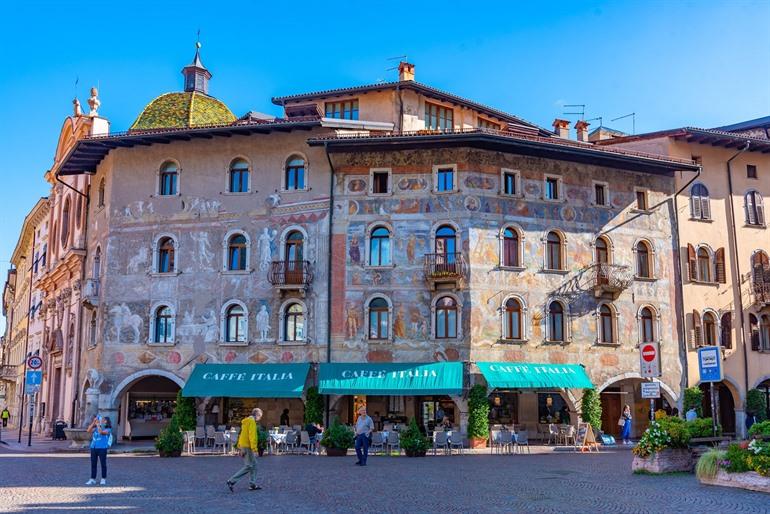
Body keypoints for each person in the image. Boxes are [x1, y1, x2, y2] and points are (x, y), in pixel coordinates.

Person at [227, 408, 263, 492]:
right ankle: (231, 481)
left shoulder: (246, 422)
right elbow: (252, 436)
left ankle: (252, 484)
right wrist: (255, 449)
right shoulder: (252, 422)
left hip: (244, 445)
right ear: (257, 415)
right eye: (260, 417)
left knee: (254, 464)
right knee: (249, 466)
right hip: (248, 446)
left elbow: (242, 434)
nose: (260, 419)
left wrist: (240, 446)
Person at [86, 415, 112, 485]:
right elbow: (88, 430)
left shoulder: (108, 429)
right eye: (102, 420)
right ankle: (92, 479)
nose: (102, 421)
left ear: (107, 422)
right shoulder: (96, 428)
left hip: (102, 448)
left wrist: (97, 424)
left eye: (104, 420)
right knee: (93, 464)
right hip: (93, 448)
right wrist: (93, 422)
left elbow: (101, 432)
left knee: (103, 464)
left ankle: (103, 478)